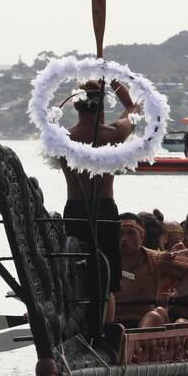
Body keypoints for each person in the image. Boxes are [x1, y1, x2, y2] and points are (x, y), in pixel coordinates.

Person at [61, 79, 139, 319]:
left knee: (76, 275)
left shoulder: (62, 138)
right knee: (107, 282)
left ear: (76, 105)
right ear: (102, 106)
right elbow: (134, 111)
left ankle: (79, 324)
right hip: (104, 209)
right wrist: (116, 85)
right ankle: (103, 331)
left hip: (75, 209)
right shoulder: (114, 134)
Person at [115, 213, 188, 328]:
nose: (124, 239)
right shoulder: (103, 261)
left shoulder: (156, 259)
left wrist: (175, 298)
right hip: (112, 327)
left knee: (156, 315)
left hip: (145, 324)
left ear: (142, 236)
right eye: (120, 233)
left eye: (131, 233)